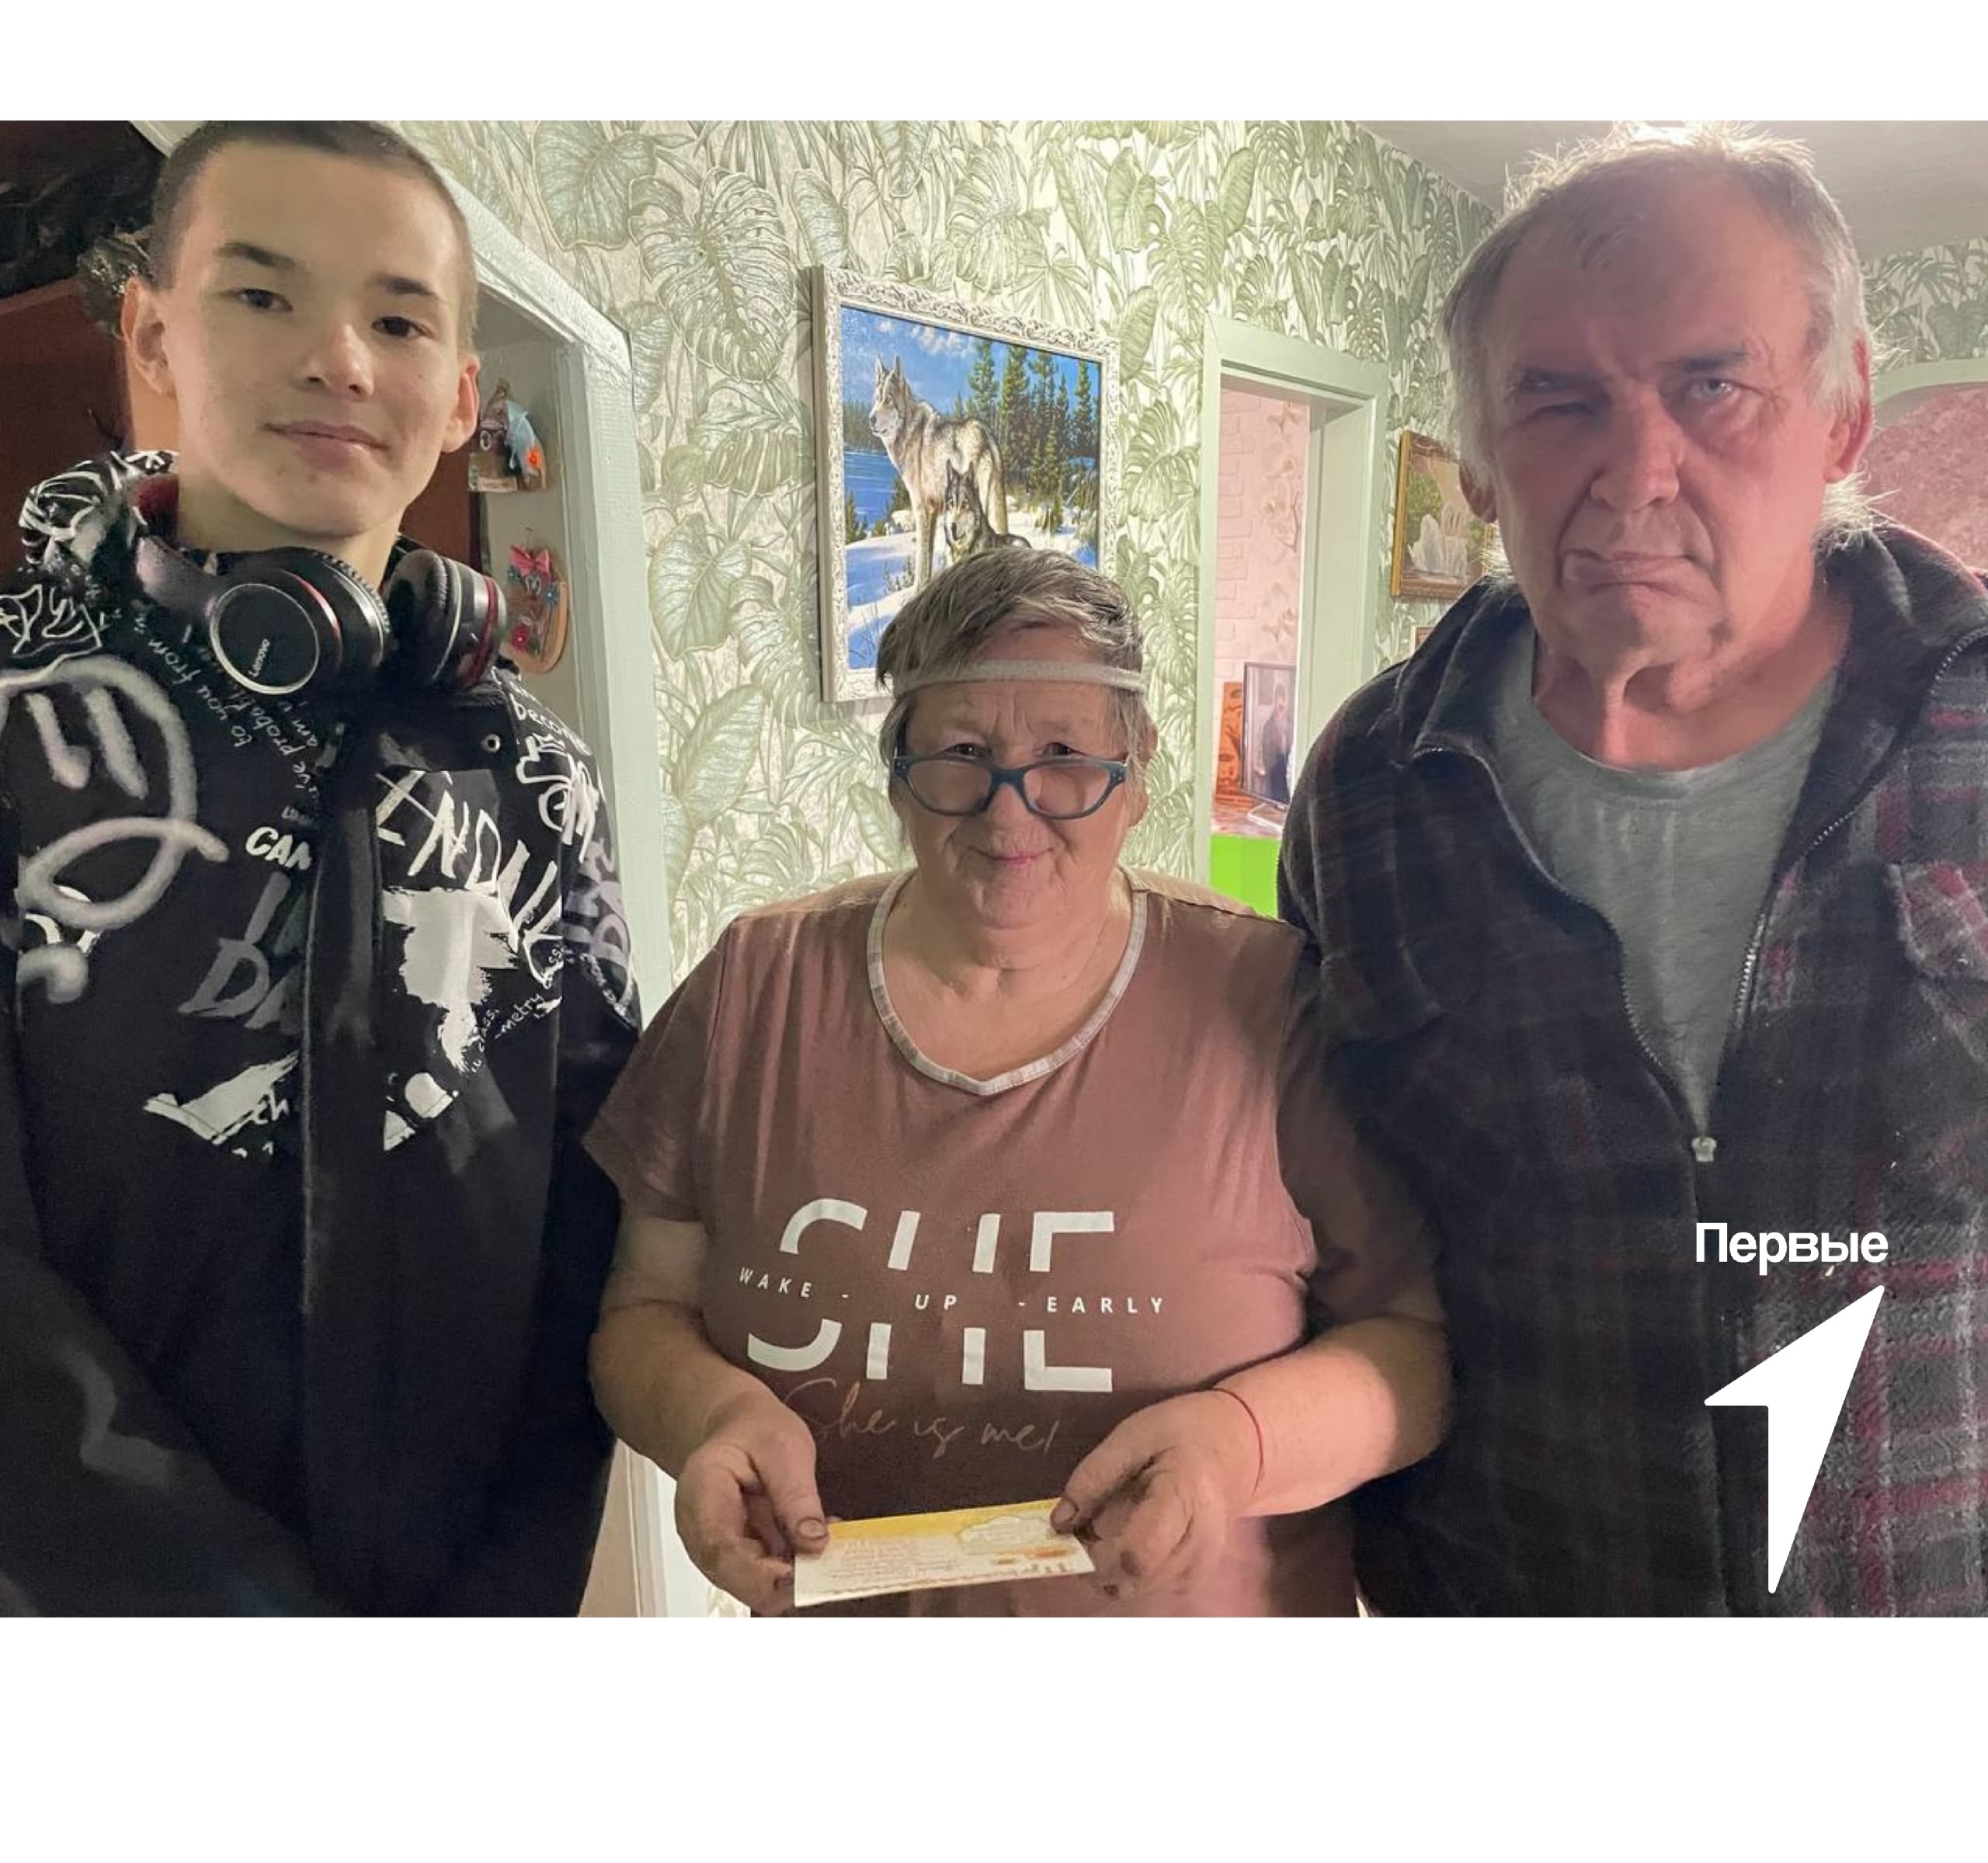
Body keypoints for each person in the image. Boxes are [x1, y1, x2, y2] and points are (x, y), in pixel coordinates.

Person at [1279, 123, 1988, 1615]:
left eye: (1712, 386)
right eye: (1559, 400)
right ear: (1481, 462)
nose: (1634, 473)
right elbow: (1326, 1238)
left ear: (1844, 414)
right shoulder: (1370, 790)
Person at [0, 121, 640, 1614]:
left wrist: (505, 1592)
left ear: (463, 394)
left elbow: (590, 1215)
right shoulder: (24, 729)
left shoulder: (535, 774)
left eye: (399, 321)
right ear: (152, 336)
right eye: (262, 294)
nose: (339, 359)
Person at [587, 548, 1448, 1615]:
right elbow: (643, 1312)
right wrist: (710, 1418)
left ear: (1136, 772)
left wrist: (1238, 1444)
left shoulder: (1271, 1006)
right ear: (896, 771)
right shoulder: (753, 993)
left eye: (1064, 756)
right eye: (962, 753)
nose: (1010, 814)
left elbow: (1417, 1351)